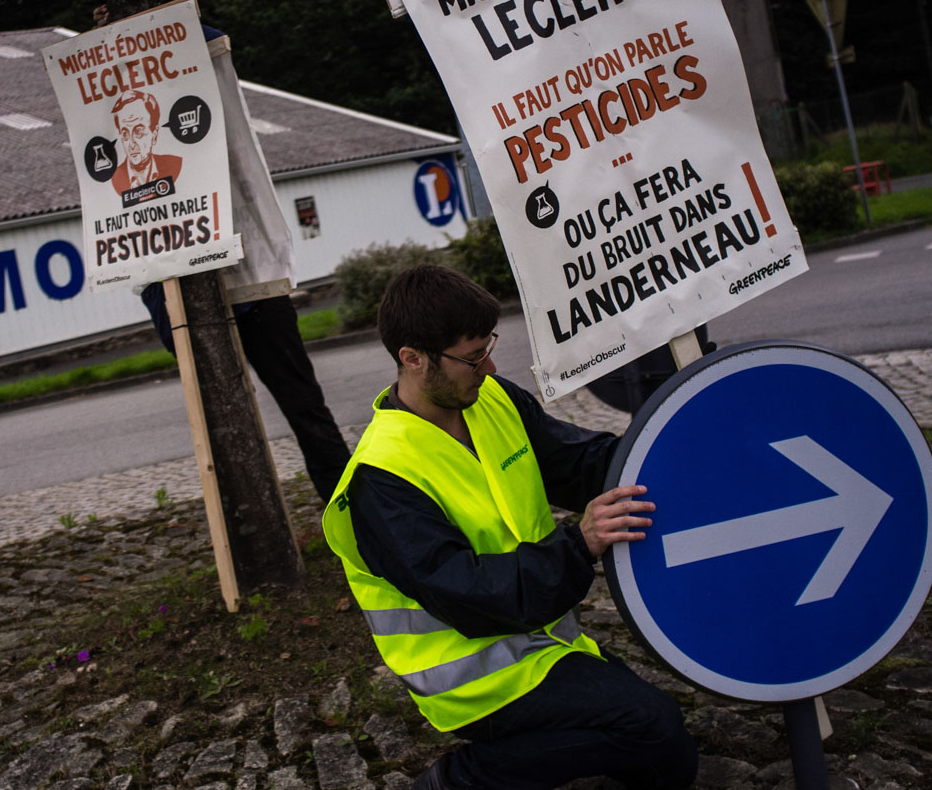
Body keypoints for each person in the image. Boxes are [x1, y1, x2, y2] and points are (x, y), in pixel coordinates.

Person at [322, 265, 697, 790]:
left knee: (671, 760)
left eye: (488, 348)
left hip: (537, 640)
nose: (489, 365)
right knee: (649, 725)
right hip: (474, 679)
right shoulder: (380, 479)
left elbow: (575, 461)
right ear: (412, 358)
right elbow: (469, 593)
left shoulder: (489, 396)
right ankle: (457, 782)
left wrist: (663, 451)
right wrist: (581, 543)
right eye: (473, 358)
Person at [140, 282, 350, 503]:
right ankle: (249, 523)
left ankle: (353, 512)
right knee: (224, 429)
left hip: (254, 287)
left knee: (305, 408)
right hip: (175, 296)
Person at [109, 89, 182, 195]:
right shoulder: (113, 179)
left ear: (154, 135)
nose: (131, 144)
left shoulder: (175, 164)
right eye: (125, 134)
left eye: (138, 132)